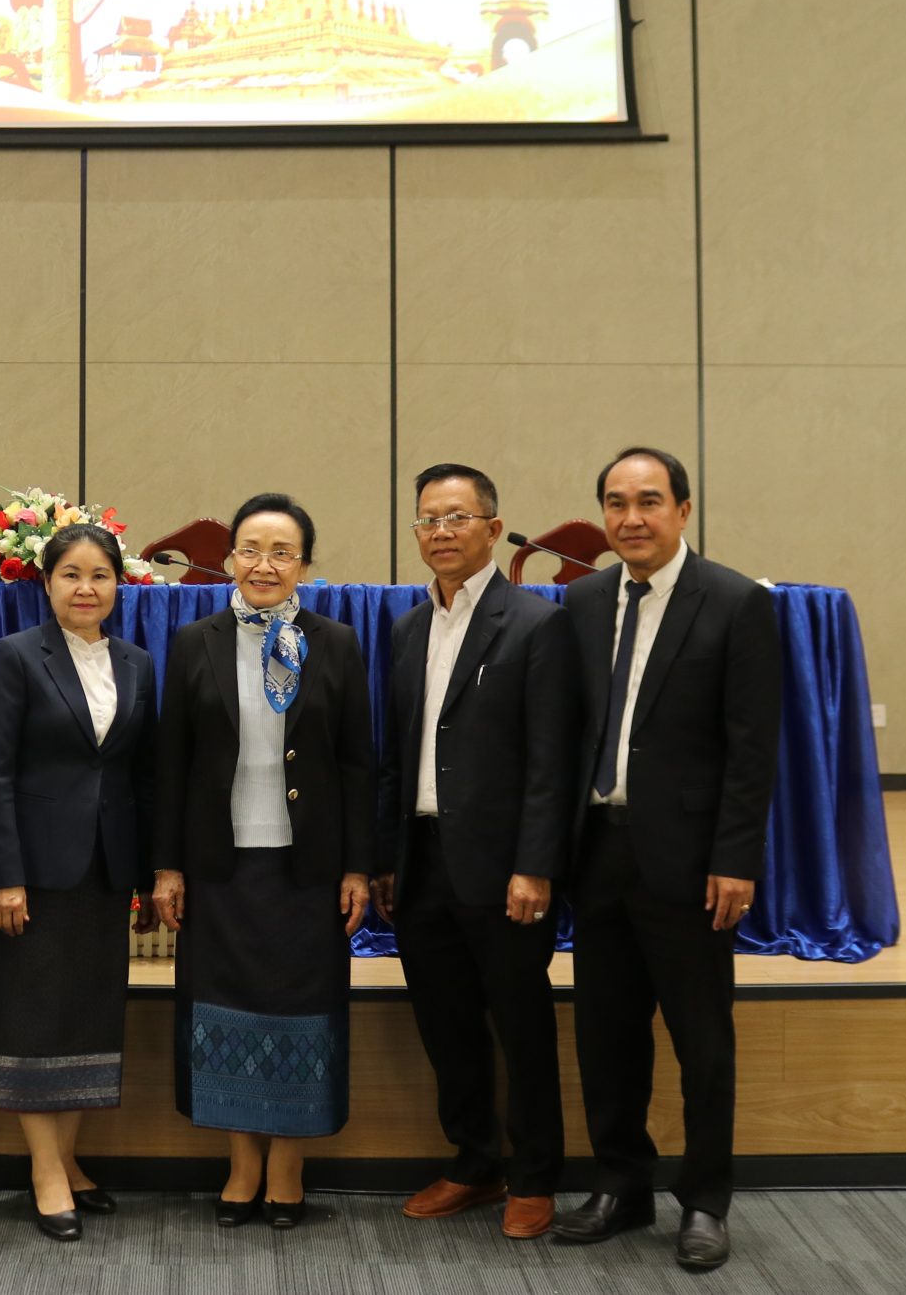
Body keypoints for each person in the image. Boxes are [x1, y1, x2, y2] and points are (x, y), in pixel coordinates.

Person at [549, 447, 778, 1273]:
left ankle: (706, 1199)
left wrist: (735, 857)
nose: (631, 517)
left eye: (649, 501)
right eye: (616, 502)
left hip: (690, 864)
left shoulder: (737, 602)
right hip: (599, 853)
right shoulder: (582, 600)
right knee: (607, 1037)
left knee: (701, 1043)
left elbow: (752, 748)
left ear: (683, 509)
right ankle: (622, 1183)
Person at [150, 491, 373, 1229]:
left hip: (307, 870)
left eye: (282, 552)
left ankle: (289, 1166)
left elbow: (358, 763)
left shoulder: (336, 642)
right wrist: (168, 865)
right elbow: (173, 762)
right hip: (219, 867)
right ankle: (242, 1165)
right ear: (229, 560)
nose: (264, 565)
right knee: (227, 1016)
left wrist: (357, 866)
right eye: (250, 549)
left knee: (300, 1015)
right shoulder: (196, 641)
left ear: (305, 563)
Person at [374, 463, 572, 1240]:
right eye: (429, 519)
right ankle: (474, 1161)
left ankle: (536, 1173)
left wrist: (535, 863)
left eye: (457, 516)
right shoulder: (407, 628)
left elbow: (551, 760)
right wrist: (387, 856)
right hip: (423, 859)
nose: (442, 531)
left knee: (520, 1023)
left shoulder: (534, 623)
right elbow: (397, 754)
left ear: (492, 527)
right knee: (446, 1022)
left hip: (503, 866)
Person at [0, 522, 157, 1243]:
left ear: (118, 585)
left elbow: (140, 775)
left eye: (100, 575)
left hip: (105, 872)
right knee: (32, 1018)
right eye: (71, 574)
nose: (86, 587)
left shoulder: (137, 663)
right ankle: (44, 1170)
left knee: (86, 1018)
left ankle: (69, 1158)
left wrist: (144, 874)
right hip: (36, 876)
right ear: (46, 583)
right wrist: (5, 876)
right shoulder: (18, 656)